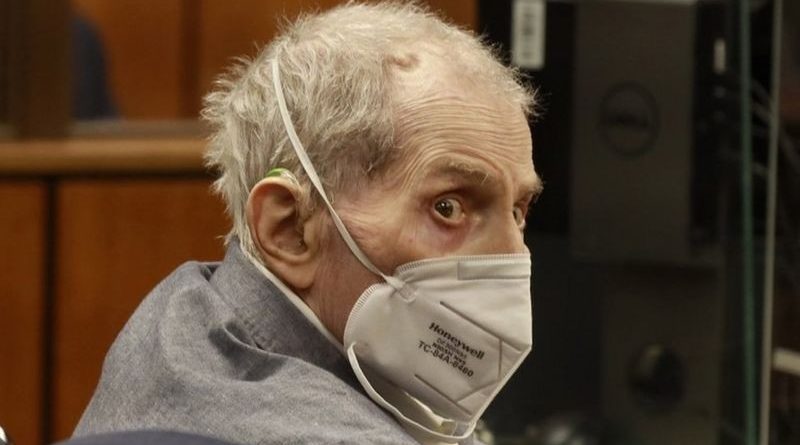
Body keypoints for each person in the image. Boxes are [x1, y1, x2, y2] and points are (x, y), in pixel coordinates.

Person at [74, 2, 543, 444]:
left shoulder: (185, 310)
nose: (513, 259)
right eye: (448, 208)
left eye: (518, 212)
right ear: (290, 230)